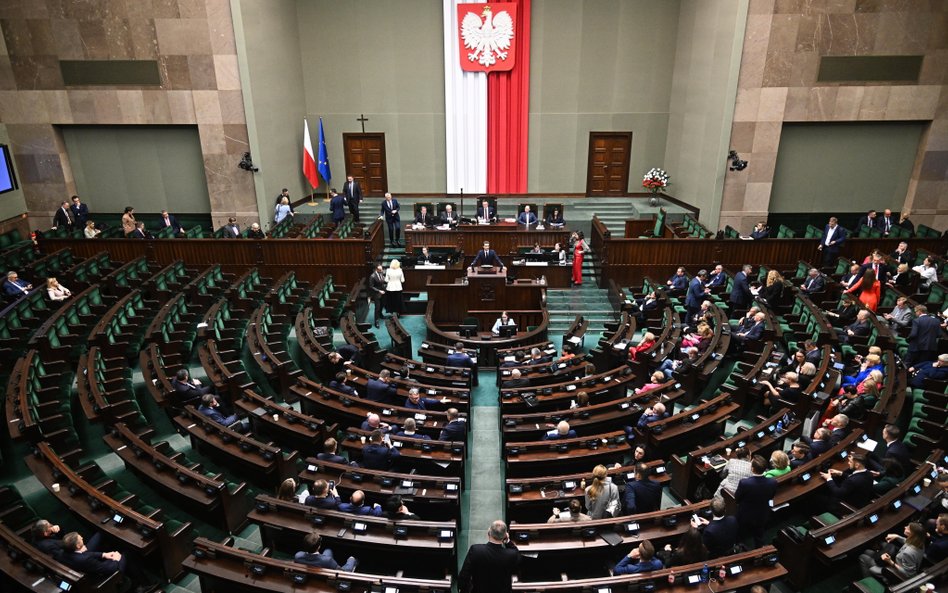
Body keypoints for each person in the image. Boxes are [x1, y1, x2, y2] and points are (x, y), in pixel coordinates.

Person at [59, 532, 147, 591]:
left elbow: (87, 555)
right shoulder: (84, 559)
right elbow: (110, 569)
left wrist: (104, 554)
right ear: (78, 546)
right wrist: (117, 558)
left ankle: (136, 581)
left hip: (90, 571)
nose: (82, 537)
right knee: (127, 553)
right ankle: (144, 585)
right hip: (104, 578)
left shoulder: (64, 552)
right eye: (80, 538)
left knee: (102, 536)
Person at [458, 520, 520, 593]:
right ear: (505, 536)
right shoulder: (511, 555)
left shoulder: (475, 550)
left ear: (489, 532)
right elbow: (517, 554)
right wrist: (507, 541)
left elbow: (464, 576)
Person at [735, 455, 778, 547]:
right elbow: (771, 496)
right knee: (759, 534)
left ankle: (739, 546)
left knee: (740, 532)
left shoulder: (745, 483)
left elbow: (737, 498)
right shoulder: (773, 482)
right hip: (762, 512)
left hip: (745, 513)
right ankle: (760, 550)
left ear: (753, 469)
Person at [858, 522, 925, 580]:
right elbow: (907, 542)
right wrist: (897, 536)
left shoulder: (908, 553)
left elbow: (909, 574)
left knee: (863, 557)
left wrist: (890, 562)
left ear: (912, 534)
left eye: (908, 528)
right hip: (899, 562)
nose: (905, 527)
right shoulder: (919, 543)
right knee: (867, 551)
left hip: (895, 573)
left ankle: (869, 581)